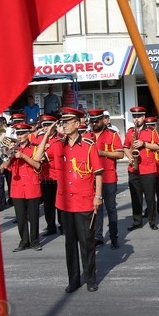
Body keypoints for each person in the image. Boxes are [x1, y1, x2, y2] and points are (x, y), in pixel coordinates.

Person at [33, 107, 103, 293]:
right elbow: (37, 157)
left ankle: (90, 279)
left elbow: (98, 173)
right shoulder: (57, 145)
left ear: (78, 124)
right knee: (69, 243)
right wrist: (47, 133)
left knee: (87, 242)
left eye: (68, 121)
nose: (64, 124)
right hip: (64, 203)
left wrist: (98, 196)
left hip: (84, 200)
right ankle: (73, 280)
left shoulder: (88, 145)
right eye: (63, 121)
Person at [1, 122, 43, 252]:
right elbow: (5, 167)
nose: (20, 136)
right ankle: (24, 241)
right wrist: (11, 155)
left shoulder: (35, 148)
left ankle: (35, 241)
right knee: (20, 217)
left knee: (34, 216)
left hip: (32, 186)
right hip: (17, 188)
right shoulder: (13, 148)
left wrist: (23, 156)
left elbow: (38, 166)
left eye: (22, 133)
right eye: (18, 134)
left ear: (28, 134)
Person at [87, 108, 124, 249]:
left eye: (97, 120)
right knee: (97, 208)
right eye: (92, 121)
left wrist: (102, 152)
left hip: (108, 177)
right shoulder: (87, 135)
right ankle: (98, 237)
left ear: (103, 120)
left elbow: (120, 155)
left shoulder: (112, 135)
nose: (94, 123)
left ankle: (114, 237)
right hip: (92, 178)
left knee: (111, 208)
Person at [123, 106, 159, 231]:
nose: (136, 119)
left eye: (139, 116)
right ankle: (137, 221)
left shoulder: (151, 131)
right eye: (134, 117)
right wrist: (130, 157)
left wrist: (144, 144)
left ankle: (152, 221)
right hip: (133, 169)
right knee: (135, 197)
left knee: (150, 197)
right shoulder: (130, 132)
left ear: (143, 117)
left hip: (148, 169)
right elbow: (125, 147)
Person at [36, 114, 62, 236]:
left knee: (60, 203)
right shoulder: (41, 138)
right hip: (45, 176)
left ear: (54, 125)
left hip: (57, 176)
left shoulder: (59, 139)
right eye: (43, 125)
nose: (45, 128)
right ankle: (50, 226)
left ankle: (63, 226)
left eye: (48, 125)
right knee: (48, 203)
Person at [143, 116, 159, 218]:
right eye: (149, 126)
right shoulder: (144, 138)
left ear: (156, 126)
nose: (151, 127)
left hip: (158, 169)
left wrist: (154, 146)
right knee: (149, 194)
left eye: (153, 125)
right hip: (148, 169)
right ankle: (149, 210)